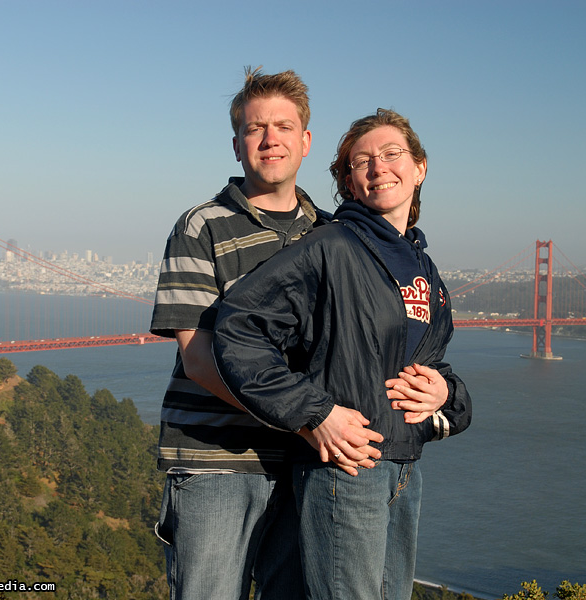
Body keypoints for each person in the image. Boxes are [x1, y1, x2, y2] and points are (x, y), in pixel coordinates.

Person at [213, 108, 473, 600]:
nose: (378, 167)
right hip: (345, 473)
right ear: (349, 183)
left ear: (419, 167)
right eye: (361, 161)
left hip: (405, 471)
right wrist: (315, 412)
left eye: (391, 154)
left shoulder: (426, 270)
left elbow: (430, 365)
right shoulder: (330, 247)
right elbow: (240, 327)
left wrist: (447, 393)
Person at [150, 67, 382, 599]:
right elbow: (200, 361)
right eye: (256, 129)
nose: (270, 139)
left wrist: (440, 390)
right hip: (217, 462)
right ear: (237, 145)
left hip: (309, 466)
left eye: (283, 126)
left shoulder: (337, 236)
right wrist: (309, 420)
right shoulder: (200, 226)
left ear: (305, 142)